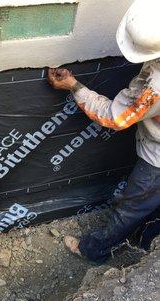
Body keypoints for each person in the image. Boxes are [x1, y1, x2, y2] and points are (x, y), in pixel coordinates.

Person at [47, 0, 160, 263]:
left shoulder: (154, 87)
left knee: (132, 206)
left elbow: (116, 117)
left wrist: (74, 86)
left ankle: (94, 249)